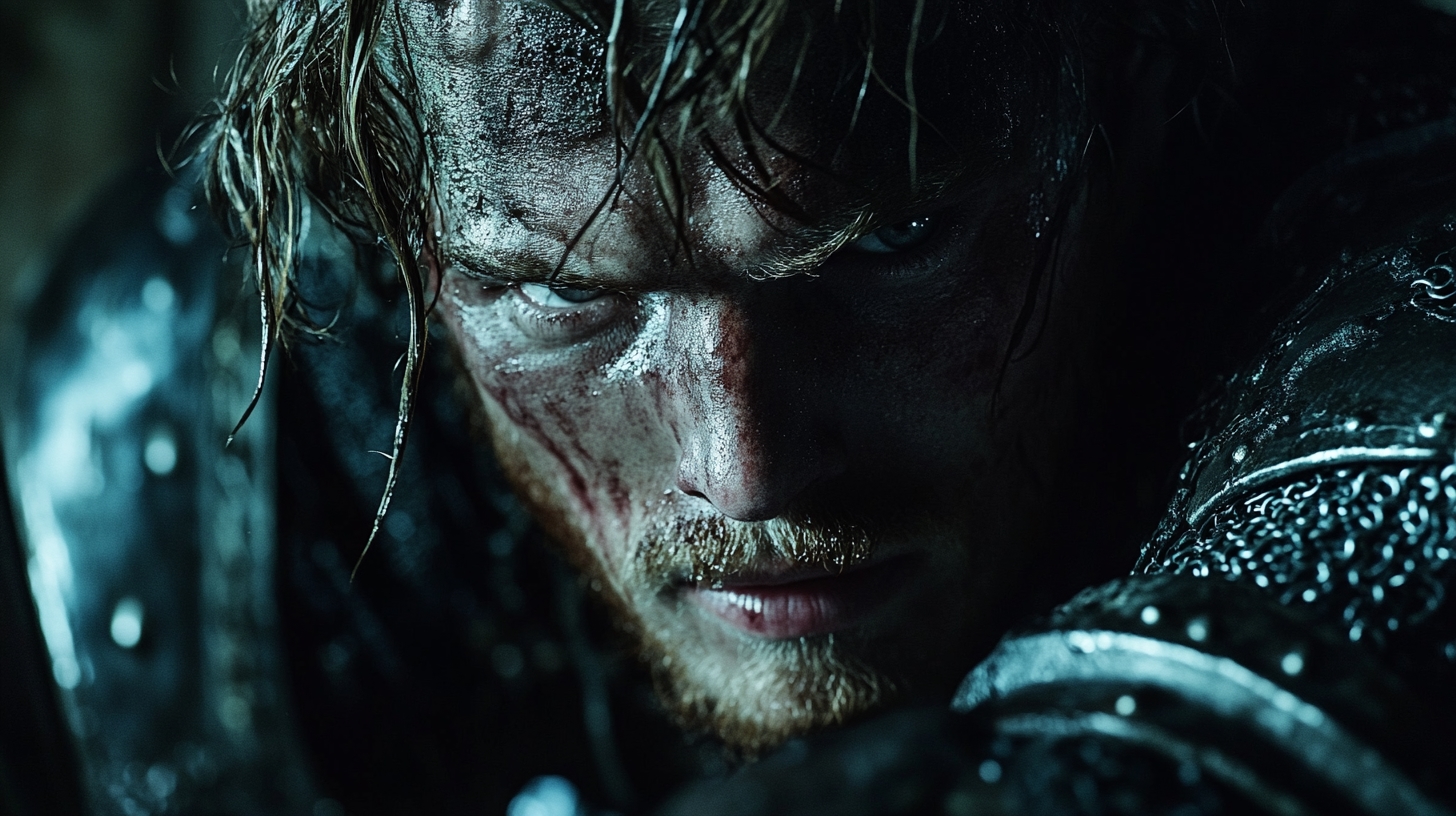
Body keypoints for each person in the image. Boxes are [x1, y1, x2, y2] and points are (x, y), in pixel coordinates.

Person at [5, 0, 1456, 813]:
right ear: (389, 228)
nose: (744, 468)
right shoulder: (207, 403)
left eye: (889, 244)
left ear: (1136, 81)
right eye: (564, 294)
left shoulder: (1405, 277)